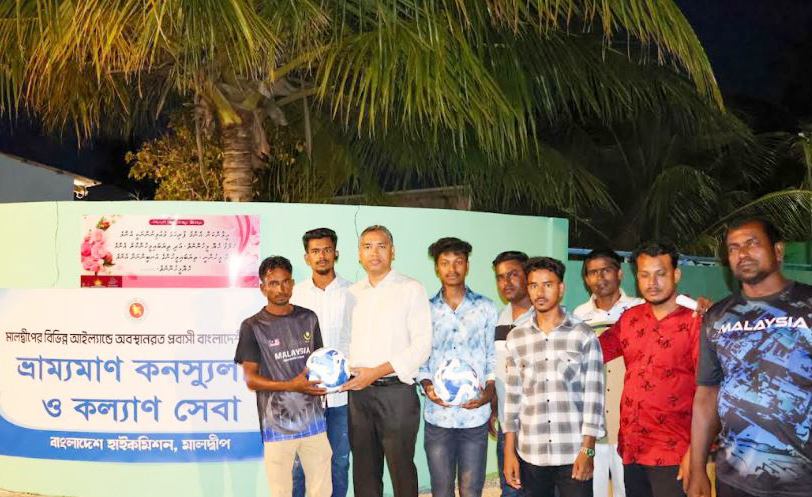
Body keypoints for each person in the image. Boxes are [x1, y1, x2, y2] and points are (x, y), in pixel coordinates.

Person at [688, 218, 812, 497]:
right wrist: (697, 468)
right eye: (733, 248)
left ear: (778, 251)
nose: (742, 253)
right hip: (735, 479)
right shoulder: (717, 317)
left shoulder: (808, 305)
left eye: (752, 243)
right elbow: (707, 395)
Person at [599, 243, 700, 497]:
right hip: (632, 448)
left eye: (660, 274)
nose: (652, 283)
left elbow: (710, 391)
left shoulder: (696, 321)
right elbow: (592, 351)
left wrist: (696, 453)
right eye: (644, 275)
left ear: (676, 274)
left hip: (675, 452)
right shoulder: (630, 319)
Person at [340, 225, 432, 497]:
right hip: (359, 393)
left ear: (393, 251)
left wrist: (377, 371)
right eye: (367, 247)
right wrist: (348, 370)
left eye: (381, 246)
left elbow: (422, 345)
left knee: (401, 469)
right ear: (359, 254)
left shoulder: (411, 288)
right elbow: (345, 339)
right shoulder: (352, 293)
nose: (374, 253)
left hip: (397, 393)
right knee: (364, 471)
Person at [503, 256, 605, 497]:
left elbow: (594, 399)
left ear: (561, 288)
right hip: (531, 454)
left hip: (573, 454)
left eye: (547, 285)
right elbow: (513, 398)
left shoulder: (583, 334)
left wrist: (588, 452)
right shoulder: (516, 338)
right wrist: (509, 452)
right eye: (533, 285)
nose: (540, 292)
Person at [234, 256, 332, 497]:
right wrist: (293, 385)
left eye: (286, 282)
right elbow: (251, 380)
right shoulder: (253, 326)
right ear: (263, 288)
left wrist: (335, 377)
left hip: (313, 420)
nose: (281, 289)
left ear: (293, 284)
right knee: (281, 491)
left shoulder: (309, 318)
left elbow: (319, 363)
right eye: (273, 283)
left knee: (321, 489)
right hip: (276, 424)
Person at [417, 237, 498, 497]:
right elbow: (420, 357)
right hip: (438, 416)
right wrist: (427, 385)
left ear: (467, 266)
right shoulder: (425, 310)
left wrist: (489, 392)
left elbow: (492, 355)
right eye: (445, 263)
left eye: (458, 262)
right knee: (441, 490)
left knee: (471, 490)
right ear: (437, 268)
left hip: (474, 415)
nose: (452, 269)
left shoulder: (485, 307)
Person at [573, 249, 643, 497]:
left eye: (606, 270)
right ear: (586, 279)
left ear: (620, 273)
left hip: (631, 425)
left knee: (629, 490)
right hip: (594, 428)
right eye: (593, 272)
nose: (599, 277)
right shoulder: (578, 317)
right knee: (594, 490)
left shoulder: (640, 308)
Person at [291, 228, 354, 497]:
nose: (322, 256)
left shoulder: (353, 292)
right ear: (307, 257)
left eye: (327, 250)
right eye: (315, 251)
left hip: (342, 396)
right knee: (299, 466)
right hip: (305, 396)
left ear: (336, 253)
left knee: (339, 461)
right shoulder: (295, 295)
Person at [491, 251, 533, 497]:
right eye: (500, 277)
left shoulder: (543, 316)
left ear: (527, 276)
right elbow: (499, 370)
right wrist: (494, 406)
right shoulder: (500, 319)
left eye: (513, 274)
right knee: (511, 490)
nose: (506, 282)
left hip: (539, 427)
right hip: (508, 427)